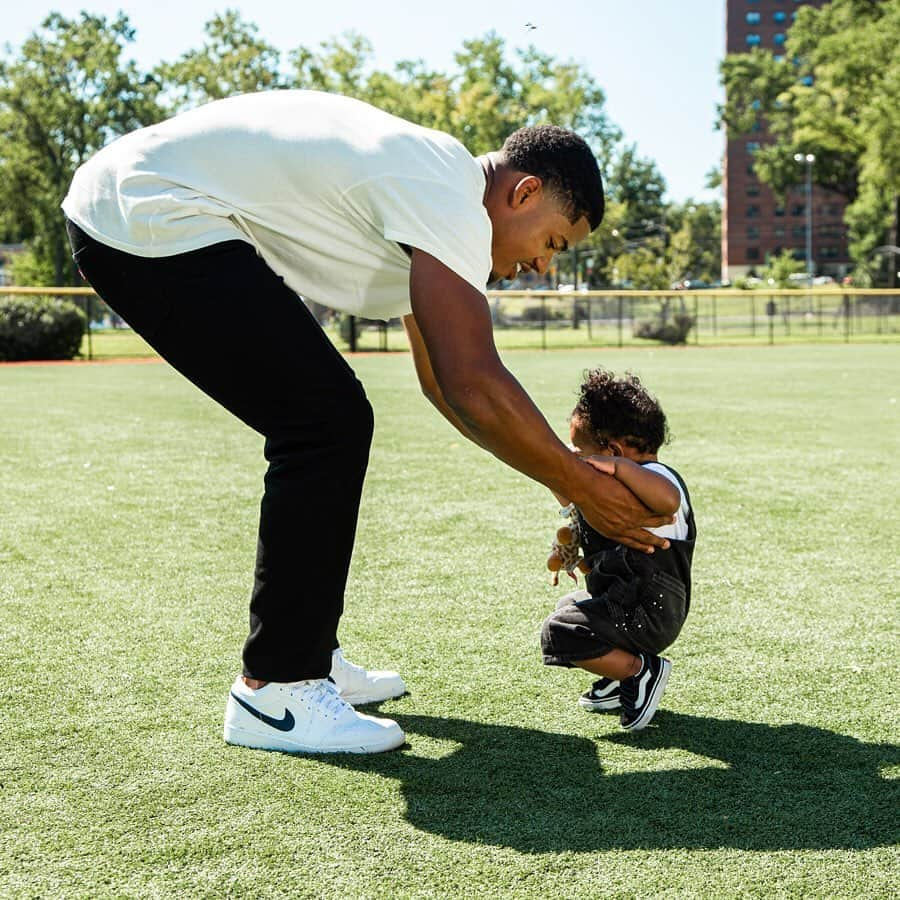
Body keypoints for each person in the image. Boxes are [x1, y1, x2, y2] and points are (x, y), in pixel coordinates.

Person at [62, 89, 673, 756]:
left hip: (147, 207)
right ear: (522, 193)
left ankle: (306, 656)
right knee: (325, 421)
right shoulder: (446, 190)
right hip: (148, 212)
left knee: (329, 417)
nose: (542, 266)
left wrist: (561, 481)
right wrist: (583, 484)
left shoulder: (436, 204)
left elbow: (444, 386)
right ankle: (277, 687)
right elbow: (473, 381)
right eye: (552, 241)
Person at [541, 369, 696, 731]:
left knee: (559, 631)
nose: (575, 461)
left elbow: (669, 499)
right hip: (627, 604)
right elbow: (567, 494)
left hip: (650, 612)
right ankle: (617, 676)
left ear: (612, 453)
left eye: (580, 454)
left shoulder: (659, 478)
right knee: (570, 607)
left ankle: (640, 671)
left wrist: (618, 468)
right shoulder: (612, 489)